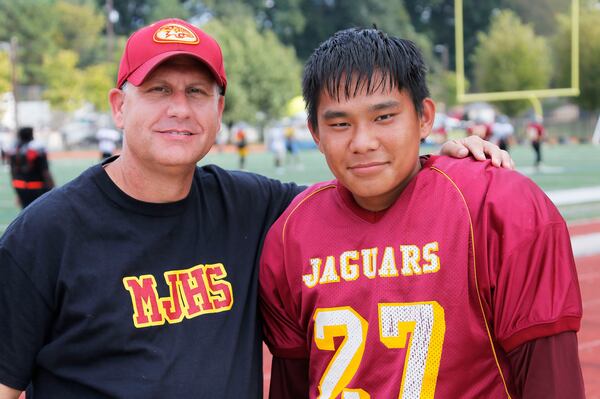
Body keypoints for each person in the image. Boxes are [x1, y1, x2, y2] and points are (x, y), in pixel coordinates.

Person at [0, 18, 512, 399]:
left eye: (198, 91)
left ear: (219, 110)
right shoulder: (44, 235)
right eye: (158, 90)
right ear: (119, 105)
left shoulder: (254, 206)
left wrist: (443, 156)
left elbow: (363, 184)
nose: (180, 108)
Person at [259, 28, 584, 398]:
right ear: (315, 133)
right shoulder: (291, 235)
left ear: (424, 117)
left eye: (383, 117)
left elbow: (552, 382)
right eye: (339, 124)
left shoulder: (495, 206)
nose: (363, 142)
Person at [6, 126, 55, 209]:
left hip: (20, 187)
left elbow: (12, 172)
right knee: (40, 212)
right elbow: (45, 171)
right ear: (32, 135)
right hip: (37, 187)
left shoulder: (14, 151)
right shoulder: (38, 150)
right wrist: (53, 188)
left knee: (25, 212)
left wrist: (17, 192)